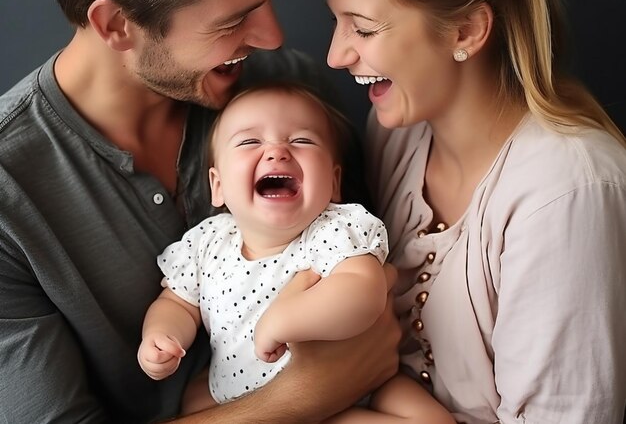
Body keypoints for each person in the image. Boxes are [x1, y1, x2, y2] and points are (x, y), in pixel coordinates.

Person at [0, 0, 400, 424]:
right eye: (234, 19)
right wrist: (304, 396)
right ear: (116, 26)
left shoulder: (288, 95)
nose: (272, 36)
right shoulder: (9, 196)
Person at [325, 0, 626, 424]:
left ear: (465, 30)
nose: (336, 55)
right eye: (337, 23)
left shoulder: (565, 190)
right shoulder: (397, 135)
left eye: (362, 29)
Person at [137, 82, 455, 423]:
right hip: (239, 401)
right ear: (218, 186)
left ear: (334, 183)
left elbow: (364, 292)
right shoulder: (207, 243)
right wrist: (162, 336)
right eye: (249, 141)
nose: (278, 152)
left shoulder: (332, 230)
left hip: (358, 387)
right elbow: (177, 303)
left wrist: (282, 321)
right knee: (192, 404)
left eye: (301, 140)